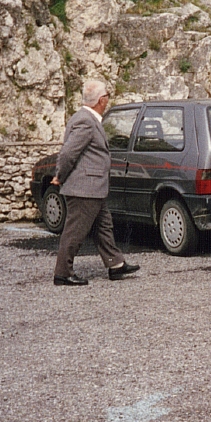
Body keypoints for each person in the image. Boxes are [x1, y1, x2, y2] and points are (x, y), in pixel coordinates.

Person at [51, 79, 139, 286]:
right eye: (107, 96)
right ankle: (62, 273)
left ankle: (115, 265)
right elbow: (68, 153)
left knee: (104, 227)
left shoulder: (86, 119)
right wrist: (59, 175)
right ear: (102, 100)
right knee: (75, 231)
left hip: (92, 188)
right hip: (84, 188)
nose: (108, 99)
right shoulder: (86, 121)